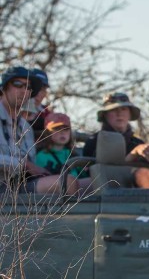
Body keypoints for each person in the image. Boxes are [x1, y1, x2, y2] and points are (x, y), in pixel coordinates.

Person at [0, 66, 75, 195]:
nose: (24, 90)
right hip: (3, 187)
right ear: (4, 88)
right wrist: (25, 165)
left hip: (21, 185)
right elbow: (28, 165)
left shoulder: (26, 128)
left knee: (92, 183)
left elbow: (33, 166)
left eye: (28, 87)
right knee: (68, 183)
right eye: (18, 84)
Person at [34, 112, 89, 182]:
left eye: (66, 129)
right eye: (57, 128)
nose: (62, 132)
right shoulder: (40, 156)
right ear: (47, 133)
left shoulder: (73, 155)